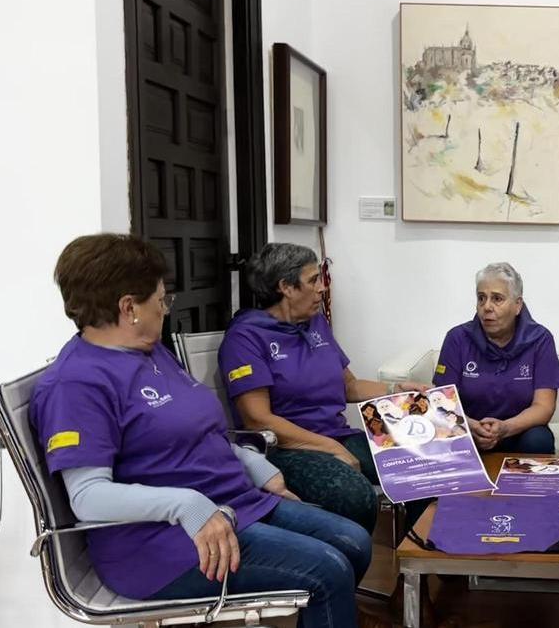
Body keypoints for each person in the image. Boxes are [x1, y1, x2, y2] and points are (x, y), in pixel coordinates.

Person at [30, 234, 374, 628]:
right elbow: (88, 497)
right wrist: (185, 505)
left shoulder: (151, 352)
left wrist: (256, 466)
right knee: (328, 570)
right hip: (160, 544)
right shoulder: (76, 383)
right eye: (161, 301)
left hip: (232, 503)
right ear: (129, 308)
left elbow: (198, 432)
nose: (165, 309)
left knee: (354, 542)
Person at [218, 243, 425, 532]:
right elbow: (257, 419)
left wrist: (397, 390)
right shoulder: (245, 338)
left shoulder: (315, 324)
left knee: (422, 463)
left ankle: (418, 552)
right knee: (355, 496)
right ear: (286, 287)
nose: (322, 288)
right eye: (313, 280)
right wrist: (330, 448)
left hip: (335, 435)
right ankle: (349, 558)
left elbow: (348, 386)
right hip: (286, 450)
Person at [432, 262, 559, 454]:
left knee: (539, 439)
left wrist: (505, 428)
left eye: (497, 299)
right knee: (443, 434)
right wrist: (471, 426)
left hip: (518, 431)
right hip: (468, 429)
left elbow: (544, 406)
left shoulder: (540, 339)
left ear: (517, 305)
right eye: (481, 298)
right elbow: (441, 402)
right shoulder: (457, 338)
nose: (487, 307)